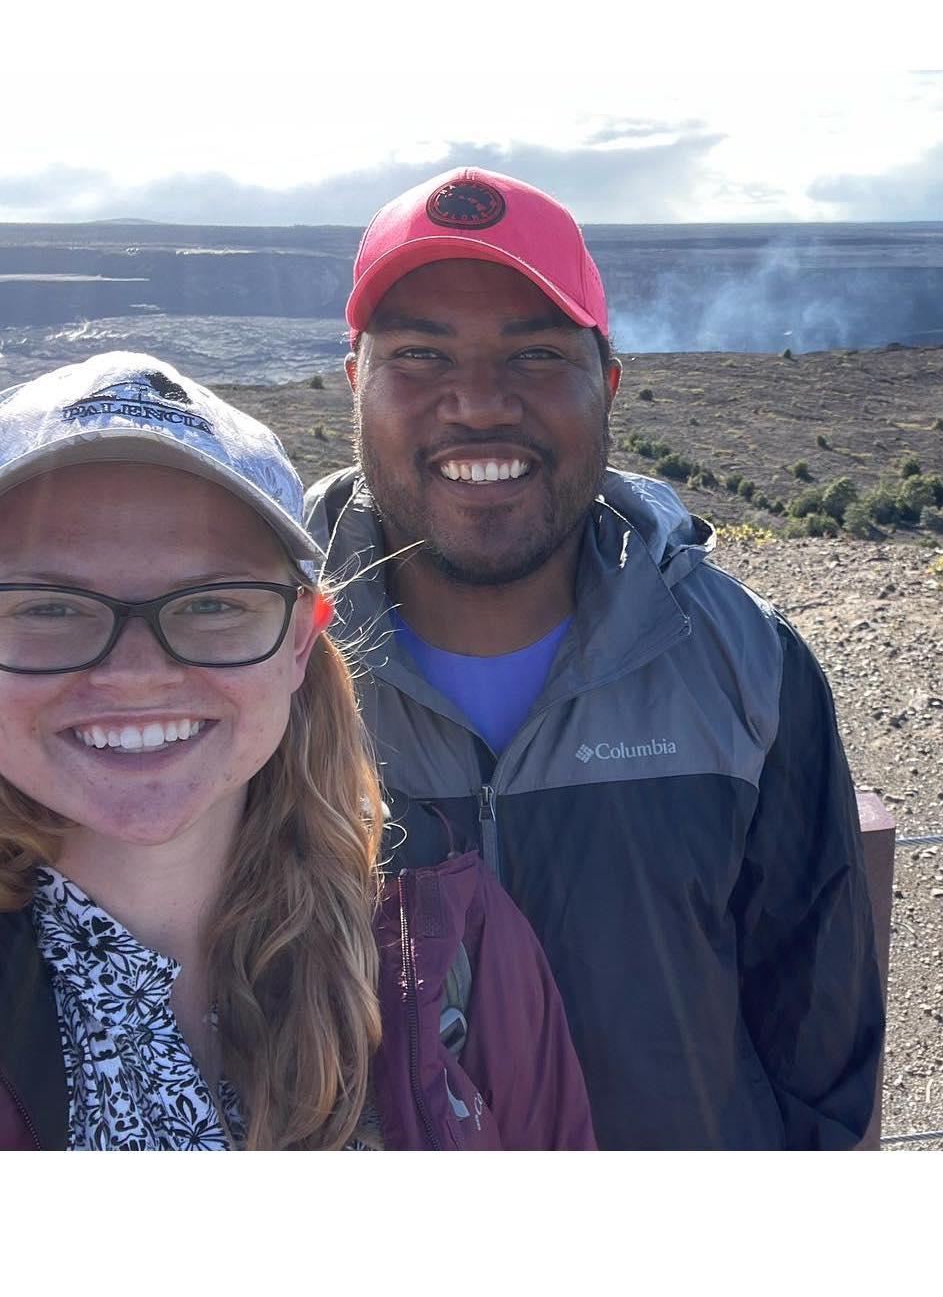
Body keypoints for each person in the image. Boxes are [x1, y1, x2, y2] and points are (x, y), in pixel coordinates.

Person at [307, 167, 885, 1149]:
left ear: (606, 386)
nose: (479, 403)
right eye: (420, 354)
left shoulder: (748, 669)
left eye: (534, 356)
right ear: (356, 384)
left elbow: (819, 1047)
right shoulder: (256, 674)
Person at [0, 351, 595, 1151]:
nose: (134, 675)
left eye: (212, 603)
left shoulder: (457, 949)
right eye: (48, 607)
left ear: (300, 640)